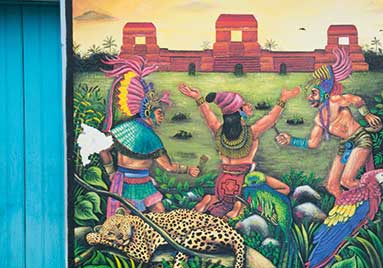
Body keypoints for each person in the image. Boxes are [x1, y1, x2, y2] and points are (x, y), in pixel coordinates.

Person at [275, 46, 382, 206]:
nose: (309, 98)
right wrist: (290, 140)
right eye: (309, 94)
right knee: (332, 186)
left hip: (360, 139)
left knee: (347, 180)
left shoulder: (334, 101)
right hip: (345, 145)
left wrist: (366, 114)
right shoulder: (320, 119)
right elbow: (312, 143)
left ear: (324, 93)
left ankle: (377, 193)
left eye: (313, 93)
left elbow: (355, 99)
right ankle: (347, 212)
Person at [178, 84, 301, 219]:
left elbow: (208, 115)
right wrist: (283, 99)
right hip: (242, 182)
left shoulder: (219, 131)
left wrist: (198, 98)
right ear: (239, 113)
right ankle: (239, 206)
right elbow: (271, 119)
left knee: (223, 201)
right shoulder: (251, 132)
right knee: (285, 189)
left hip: (222, 183)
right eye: (244, 105)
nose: (248, 105)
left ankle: (209, 200)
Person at [98, 55, 199, 217]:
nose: (162, 117)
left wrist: (111, 173)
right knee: (149, 217)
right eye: (159, 113)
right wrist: (188, 169)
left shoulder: (124, 128)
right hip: (130, 185)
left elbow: (103, 150)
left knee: (151, 215)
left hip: (130, 183)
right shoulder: (151, 139)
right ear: (148, 112)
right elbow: (168, 167)